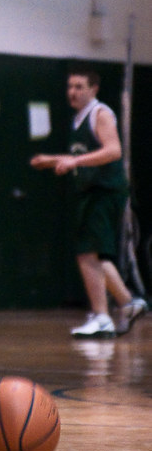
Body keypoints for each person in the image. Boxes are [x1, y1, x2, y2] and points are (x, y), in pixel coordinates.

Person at [30, 67, 147, 338]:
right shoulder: (79, 118)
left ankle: (102, 316)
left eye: (80, 86)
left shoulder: (100, 113)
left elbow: (113, 150)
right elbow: (84, 156)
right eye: (70, 86)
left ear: (94, 89)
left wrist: (74, 161)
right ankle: (129, 304)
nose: (73, 91)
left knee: (87, 253)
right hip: (92, 191)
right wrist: (52, 160)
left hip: (104, 191)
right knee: (95, 254)